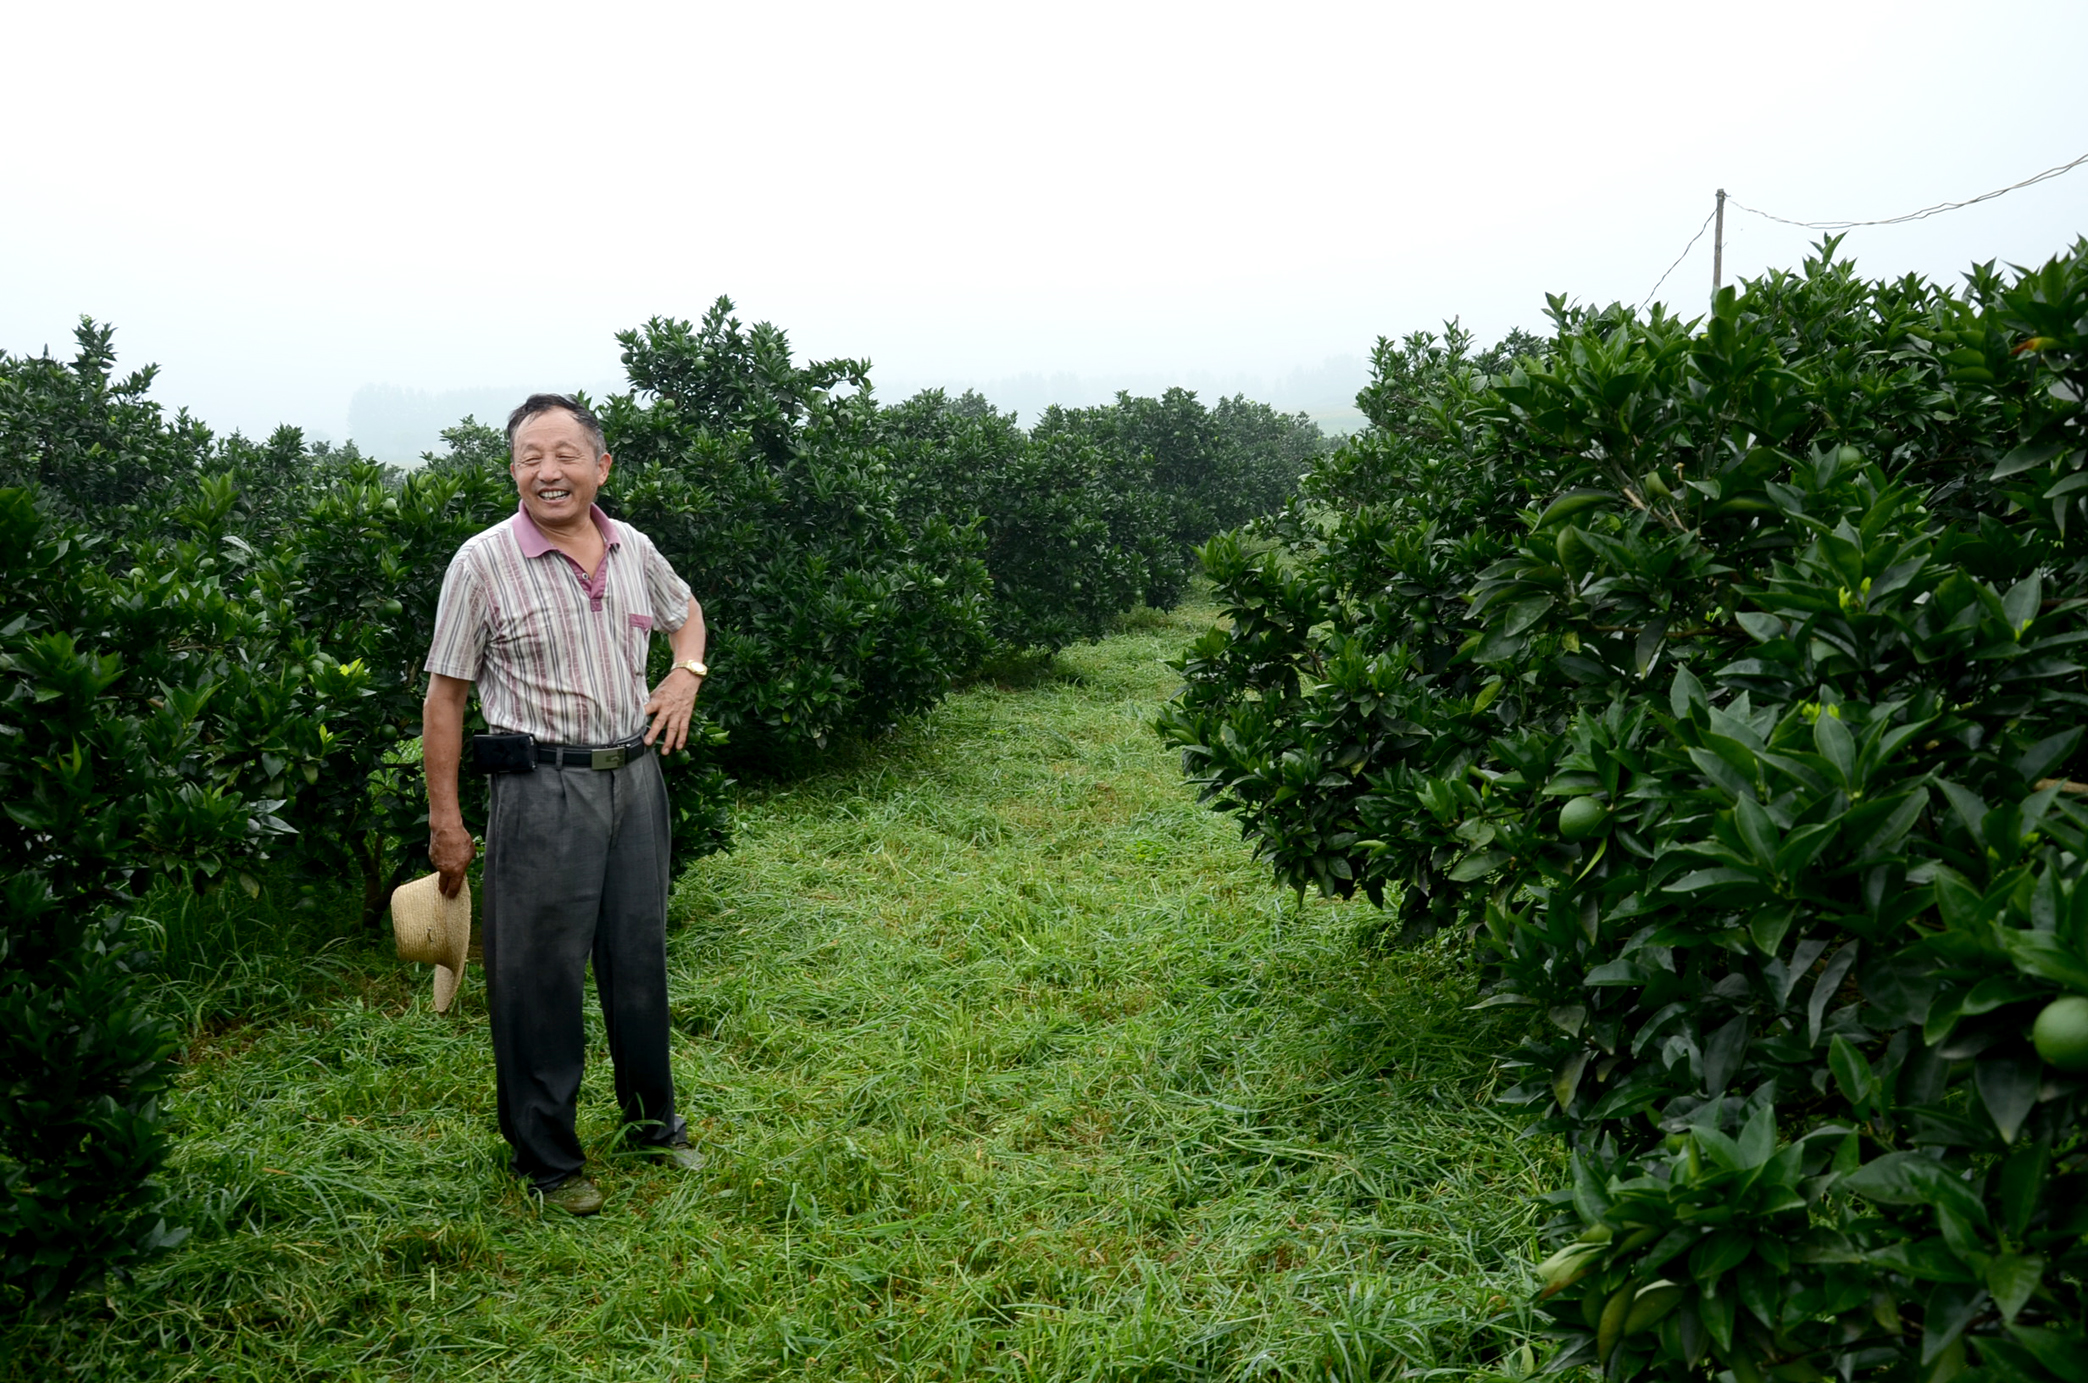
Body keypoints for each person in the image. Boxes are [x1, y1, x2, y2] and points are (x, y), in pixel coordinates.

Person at [421, 393, 709, 1216]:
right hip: (540, 788)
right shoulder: (481, 562)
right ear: (513, 470)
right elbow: (445, 698)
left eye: (565, 455)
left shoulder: (634, 547)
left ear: (600, 466)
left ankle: (654, 1123)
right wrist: (447, 820)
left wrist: (683, 674)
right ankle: (548, 1158)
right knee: (538, 977)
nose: (548, 472)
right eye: (529, 457)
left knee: (638, 959)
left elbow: (687, 612)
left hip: (634, 778)